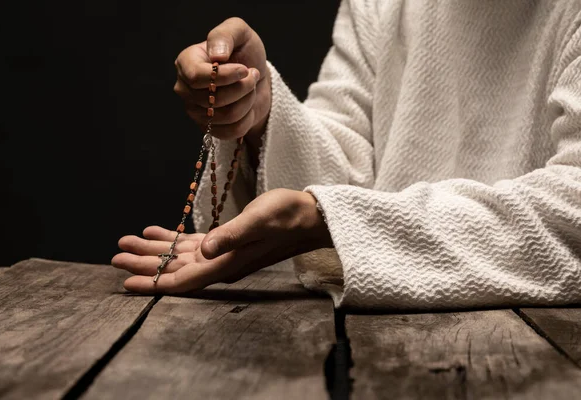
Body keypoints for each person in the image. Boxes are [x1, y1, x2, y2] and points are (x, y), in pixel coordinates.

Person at [112, 0, 581, 309]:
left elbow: (573, 208)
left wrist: (323, 219)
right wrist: (256, 113)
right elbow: (344, 166)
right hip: (365, 348)